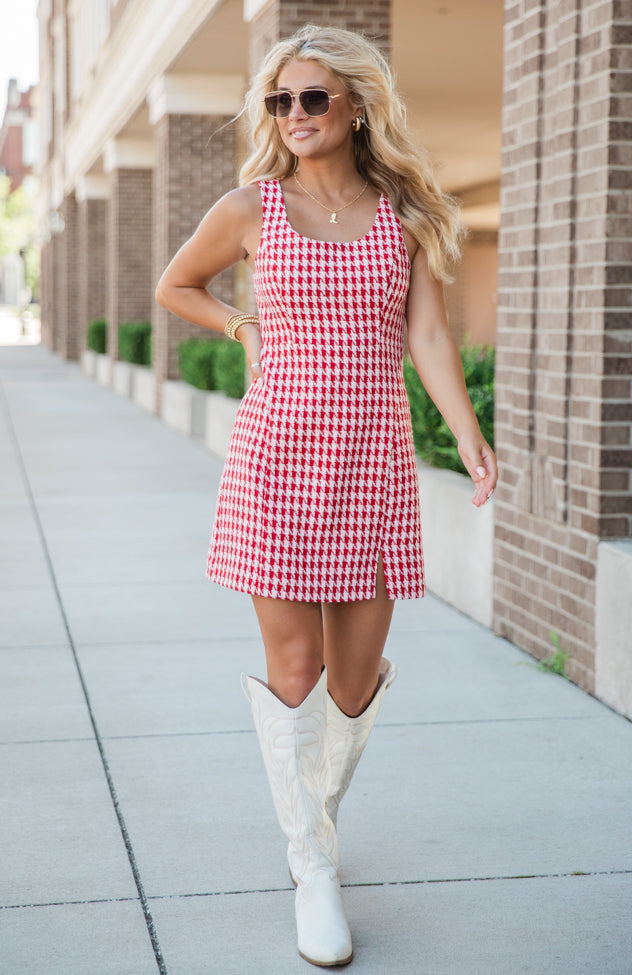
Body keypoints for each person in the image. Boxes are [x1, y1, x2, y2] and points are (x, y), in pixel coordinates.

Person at [155, 23, 497, 968]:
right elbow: (174, 282)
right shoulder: (250, 207)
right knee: (296, 671)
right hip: (276, 459)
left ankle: (318, 820)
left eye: (312, 98)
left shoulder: (404, 215)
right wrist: (239, 322)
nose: (294, 116)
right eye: (280, 101)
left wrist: (465, 431)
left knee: (351, 684)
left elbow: (427, 338)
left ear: (355, 107)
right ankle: (313, 865)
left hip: (371, 465)